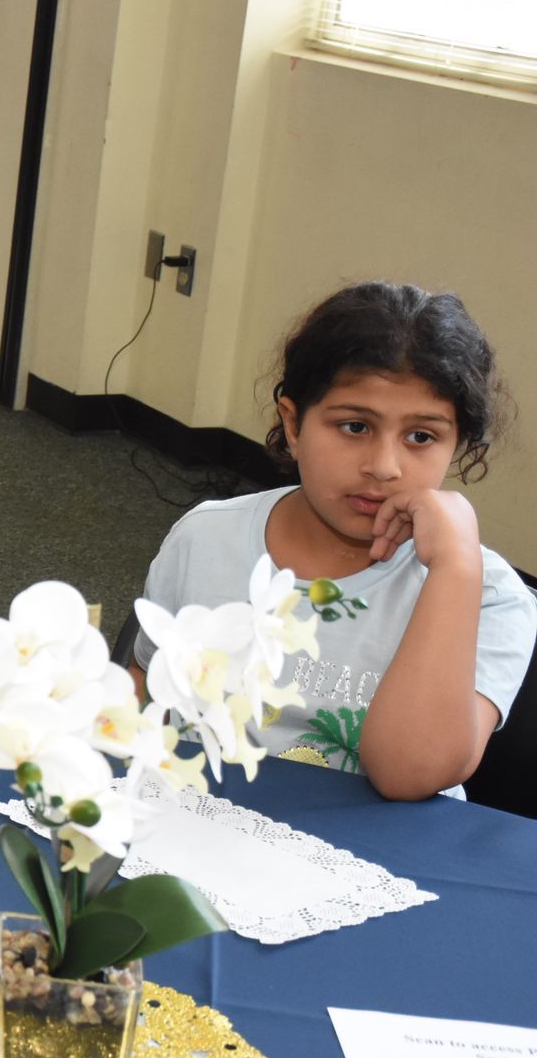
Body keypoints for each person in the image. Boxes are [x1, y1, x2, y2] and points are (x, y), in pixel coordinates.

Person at [133, 282, 535, 800]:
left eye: (422, 437)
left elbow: (410, 775)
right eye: (354, 426)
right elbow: (148, 699)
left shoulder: (490, 595)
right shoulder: (206, 535)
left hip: (374, 862)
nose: (384, 467)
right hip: (197, 832)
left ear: (457, 446)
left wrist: (455, 569)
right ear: (293, 424)